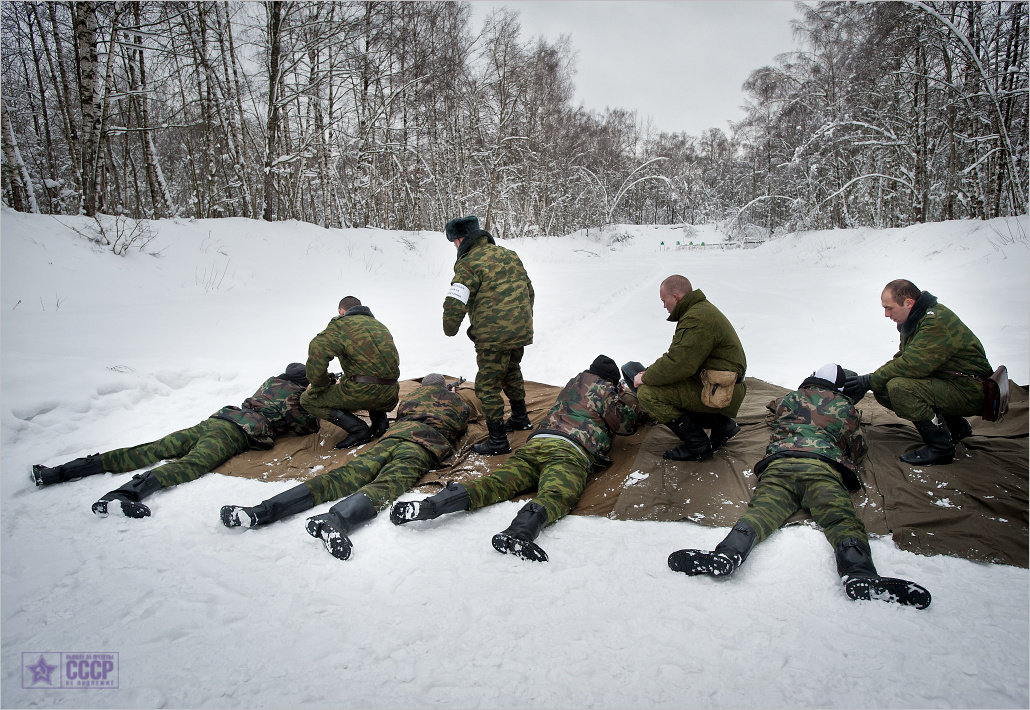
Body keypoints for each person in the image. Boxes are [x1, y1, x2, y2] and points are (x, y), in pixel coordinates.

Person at [667, 364, 932, 609]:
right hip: (821, 468)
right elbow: (857, 449)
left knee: (759, 514)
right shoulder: (844, 406)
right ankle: (859, 574)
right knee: (841, 519)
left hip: (779, 466)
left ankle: (726, 555)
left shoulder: (788, 399)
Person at [390, 355, 640, 563]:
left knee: (496, 482)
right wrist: (627, 399)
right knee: (557, 494)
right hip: (569, 451)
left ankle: (430, 506)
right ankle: (519, 534)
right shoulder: (606, 390)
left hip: (537, 442)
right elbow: (626, 425)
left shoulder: (573, 382)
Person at [221, 374, 471, 561]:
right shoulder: (460, 404)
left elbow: (405, 412)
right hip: (421, 446)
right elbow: (461, 423)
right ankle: (335, 520)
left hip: (391, 440)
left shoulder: (412, 397)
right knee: (384, 486)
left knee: (339, 477)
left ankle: (261, 512)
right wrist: (453, 395)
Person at [31, 364, 320, 518]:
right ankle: (124, 495)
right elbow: (306, 426)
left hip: (218, 419)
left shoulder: (270, 383)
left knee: (152, 448)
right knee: (191, 465)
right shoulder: (294, 396)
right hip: (235, 432)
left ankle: (56, 473)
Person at [842, 280, 993, 466]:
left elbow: (913, 365)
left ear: (909, 303)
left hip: (972, 391)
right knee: (883, 388)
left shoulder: (935, 322)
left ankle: (941, 449)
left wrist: (870, 380)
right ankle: (956, 427)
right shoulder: (916, 320)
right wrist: (870, 381)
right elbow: (902, 359)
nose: (886, 314)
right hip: (952, 383)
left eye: (889, 308)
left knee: (900, 388)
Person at [442, 215, 535, 456]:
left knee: (487, 385)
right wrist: (520, 320)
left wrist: (450, 327)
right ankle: (520, 418)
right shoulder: (509, 255)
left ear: (460, 240)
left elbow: (455, 300)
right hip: (520, 330)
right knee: (512, 371)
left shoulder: (469, 263)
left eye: (454, 243)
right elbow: (529, 291)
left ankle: (498, 441)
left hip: (493, 337)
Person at [631, 275, 746, 461]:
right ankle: (722, 425)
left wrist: (645, 377)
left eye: (664, 300)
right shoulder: (699, 311)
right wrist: (651, 372)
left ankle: (698, 445)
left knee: (648, 394)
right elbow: (681, 358)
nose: (664, 306)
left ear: (675, 297)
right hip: (719, 385)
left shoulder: (696, 318)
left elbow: (678, 364)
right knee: (668, 386)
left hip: (721, 391)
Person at [300, 296, 401, 450]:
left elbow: (317, 350)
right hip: (391, 394)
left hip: (362, 391)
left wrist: (321, 384)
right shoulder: (379, 325)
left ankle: (359, 430)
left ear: (341, 311)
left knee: (307, 400)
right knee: (372, 372)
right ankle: (380, 423)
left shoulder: (341, 325)